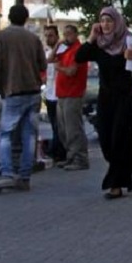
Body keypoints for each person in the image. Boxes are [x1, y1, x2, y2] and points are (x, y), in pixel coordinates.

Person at [75, 6, 132, 199]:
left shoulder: (128, 41)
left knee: (119, 140)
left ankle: (115, 185)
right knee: (106, 140)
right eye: (102, 21)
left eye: (109, 20)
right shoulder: (99, 44)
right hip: (105, 99)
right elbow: (79, 56)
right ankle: (125, 170)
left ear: (116, 22)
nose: (106, 24)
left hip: (124, 99)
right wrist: (91, 37)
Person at [0, 5, 47, 190]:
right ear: (26, 19)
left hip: (13, 91)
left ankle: (7, 172)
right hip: (33, 91)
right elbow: (43, 65)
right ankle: (24, 176)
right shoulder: (33, 38)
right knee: (29, 135)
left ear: (9, 17)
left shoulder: (2, 36)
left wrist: (1, 89)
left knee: (6, 134)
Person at [52, 25, 89, 171]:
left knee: (73, 128)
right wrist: (57, 45)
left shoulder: (78, 50)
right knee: (64, 130)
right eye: (64, 34)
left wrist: (58, 67)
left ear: (75, 34)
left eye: (69, 34)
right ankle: (71, 156)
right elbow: (50, 59)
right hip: (62, 93)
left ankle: (80, 158)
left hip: (73, 93)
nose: (66, 37)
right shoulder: (65, 50)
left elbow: (71, 71)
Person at [43, 25, 66, 163]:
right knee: (54, 125)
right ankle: (56, 151)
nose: (48, 38)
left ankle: (59, 152)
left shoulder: (62, 51)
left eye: (51, 35)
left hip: (60, 94)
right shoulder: (47, 52)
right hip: (50, 94)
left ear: (57, 36)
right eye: (46, 35)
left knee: (60, 126)